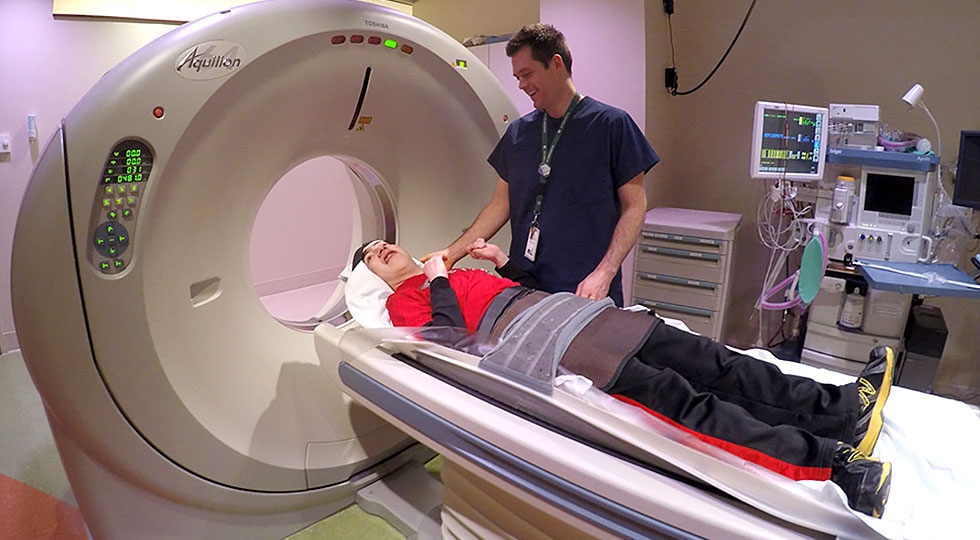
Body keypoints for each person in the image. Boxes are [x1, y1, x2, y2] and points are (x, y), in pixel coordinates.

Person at [350, 239, 895, 518]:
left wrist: (505, 265)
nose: (383, 250)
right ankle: (835, 465)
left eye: (382, 243)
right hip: (555, 346)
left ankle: (843, 407)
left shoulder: (452, 271)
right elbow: (447, 339)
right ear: (374, 277)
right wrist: (438, 278)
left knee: (714, 360)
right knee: (688, 404)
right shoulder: (407, 300)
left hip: (578, 314)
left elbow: (520, 290)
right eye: (373, 256)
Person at [424, 23, 660, 307]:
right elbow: (500, 205)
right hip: (523, 282)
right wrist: (451, 254)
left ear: (556, 64)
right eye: (517, 77)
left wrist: (605, 272)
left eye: (527, 74)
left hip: (585, 286)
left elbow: (635, 206)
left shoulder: (611, 126)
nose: (521, 85)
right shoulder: (518, 133)